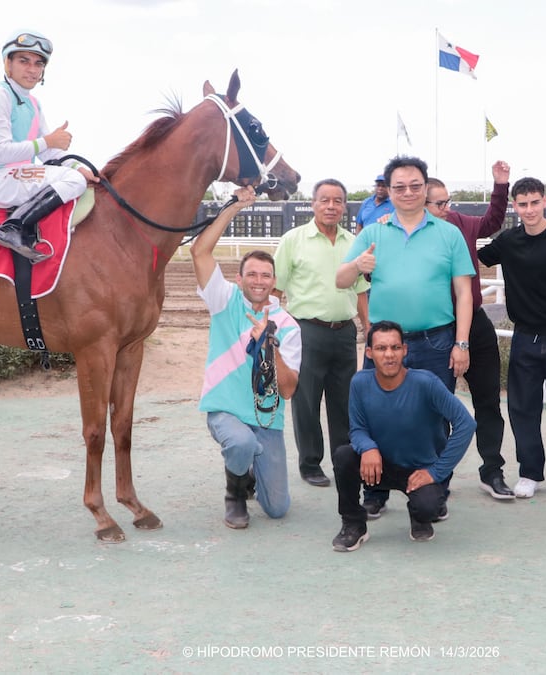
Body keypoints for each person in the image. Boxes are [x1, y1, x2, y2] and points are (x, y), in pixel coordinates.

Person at [336, 156, 474, 519]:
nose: (408, 192)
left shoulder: (449, 234)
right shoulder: (373, 233)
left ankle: (435, 487)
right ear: (389, 190)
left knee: (435, 420)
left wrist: (462, 344)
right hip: (384, 346)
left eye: (415, 185)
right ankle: (375, 492)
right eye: (399, 186)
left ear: (426, 188)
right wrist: (356, 266)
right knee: (375, 417)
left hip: (437, 342)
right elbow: (341, 280)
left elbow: (463, 293)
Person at [190, 186, 302, 530]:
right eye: (251, 274)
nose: (258, 280)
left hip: (266, 420)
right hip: (225, 411)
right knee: (240, 441)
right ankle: (235, 494)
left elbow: (286, 390)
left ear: (274, 282)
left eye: (265, 275)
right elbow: (200, 251)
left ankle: (250, 472)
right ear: (239, 278)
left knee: (278, 508)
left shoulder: (288, 325)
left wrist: (270, 345)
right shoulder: (224, 300)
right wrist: (234, 207)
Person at [477, 177, 546, 500]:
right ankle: (529, 472)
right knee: (523, 408)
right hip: (525, 336)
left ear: (545, 201)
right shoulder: (508, 240)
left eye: (535, 202)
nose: (529, 209)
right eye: (523, 204)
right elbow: (473, 253)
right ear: (515, 206)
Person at [330, 321, 475, 551]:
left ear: (404, 350)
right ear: (369, 353)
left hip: (419, 470)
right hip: (380, 466)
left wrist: (436, 472)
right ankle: (353, 525)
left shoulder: (426, 383)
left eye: (395, 348)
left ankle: (418, 516)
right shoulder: (359, 383)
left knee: (428, 507)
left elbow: (466, 424)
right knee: (344, 455)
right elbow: (357, 429)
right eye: (381, 348)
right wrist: (368, 447)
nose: (389, 355)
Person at [424, 161, 513, 500]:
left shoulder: (461, 223)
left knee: (488, 400)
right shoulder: (412, 235)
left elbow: (492, 222)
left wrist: (500, 185)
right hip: (438, 326)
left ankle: (492, 471)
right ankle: (436, 476)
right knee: (436, 405)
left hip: (475, 323)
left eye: (449, 201)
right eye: (440, 203)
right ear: (422, 203)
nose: (448, 209)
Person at [273, 179, 369, 488]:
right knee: (306, 401)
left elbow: (361, 290)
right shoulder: (293, 240)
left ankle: (344, 461)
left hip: (344, 334)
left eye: (338, 201)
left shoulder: (352, 242)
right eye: (324, 200)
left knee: (343, 403)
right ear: (313, 204)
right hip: (305, 332)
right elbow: (276, 288)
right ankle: (310, 463)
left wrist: (368, 329)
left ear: (345, 206)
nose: (331, 206)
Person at [0, 30, 97, 262]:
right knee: (73, 182)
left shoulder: (32, 103)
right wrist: (47, 142)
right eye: (24, 61)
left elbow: (49, 152)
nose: (32, 69)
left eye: (38, 64)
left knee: (76, 176)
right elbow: (0, 153)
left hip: (16, 176)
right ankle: (12, 227)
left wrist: (76, 165)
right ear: (7, 63)